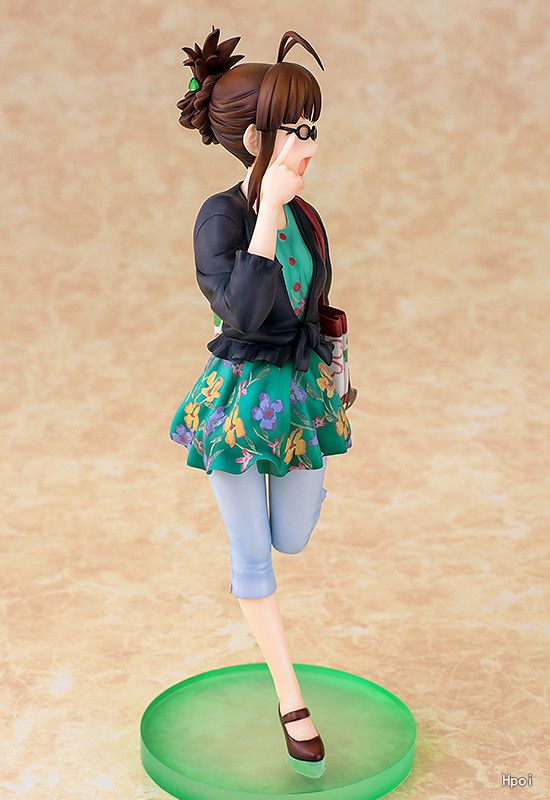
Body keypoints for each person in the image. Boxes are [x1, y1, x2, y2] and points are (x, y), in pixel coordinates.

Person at [170, 26, 357, 778]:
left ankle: (267, 563)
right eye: (295, 130)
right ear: (255, 139)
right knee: (254, 555)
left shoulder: (309, 217)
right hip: (240, 405)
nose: (309, 145)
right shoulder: (223, 217)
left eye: (312, 128)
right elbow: (243, 314)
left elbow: (318, 305)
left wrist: (338, 376)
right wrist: (269, 211)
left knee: (294, 537)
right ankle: (291, 702)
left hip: (303, 394)